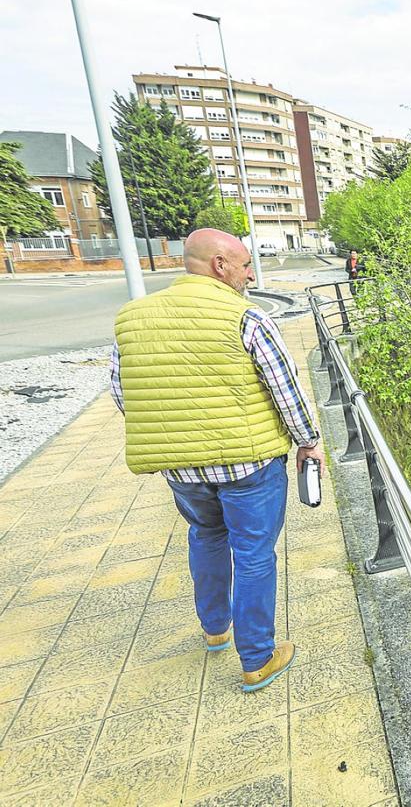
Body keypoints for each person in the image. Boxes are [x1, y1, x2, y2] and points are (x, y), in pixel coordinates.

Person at [109, 228, 324, 693]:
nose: (251, 273)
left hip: (182, 469)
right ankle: (257, 659)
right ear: (219, 265)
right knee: (253, 553)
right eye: (246, 265)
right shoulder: (245, 317)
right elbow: (283, 389)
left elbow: (124, 393)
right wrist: (308, 441)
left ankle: (214, 629)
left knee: (205, 535)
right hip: (249, 466)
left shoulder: (131, 319)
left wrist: (177, 436)